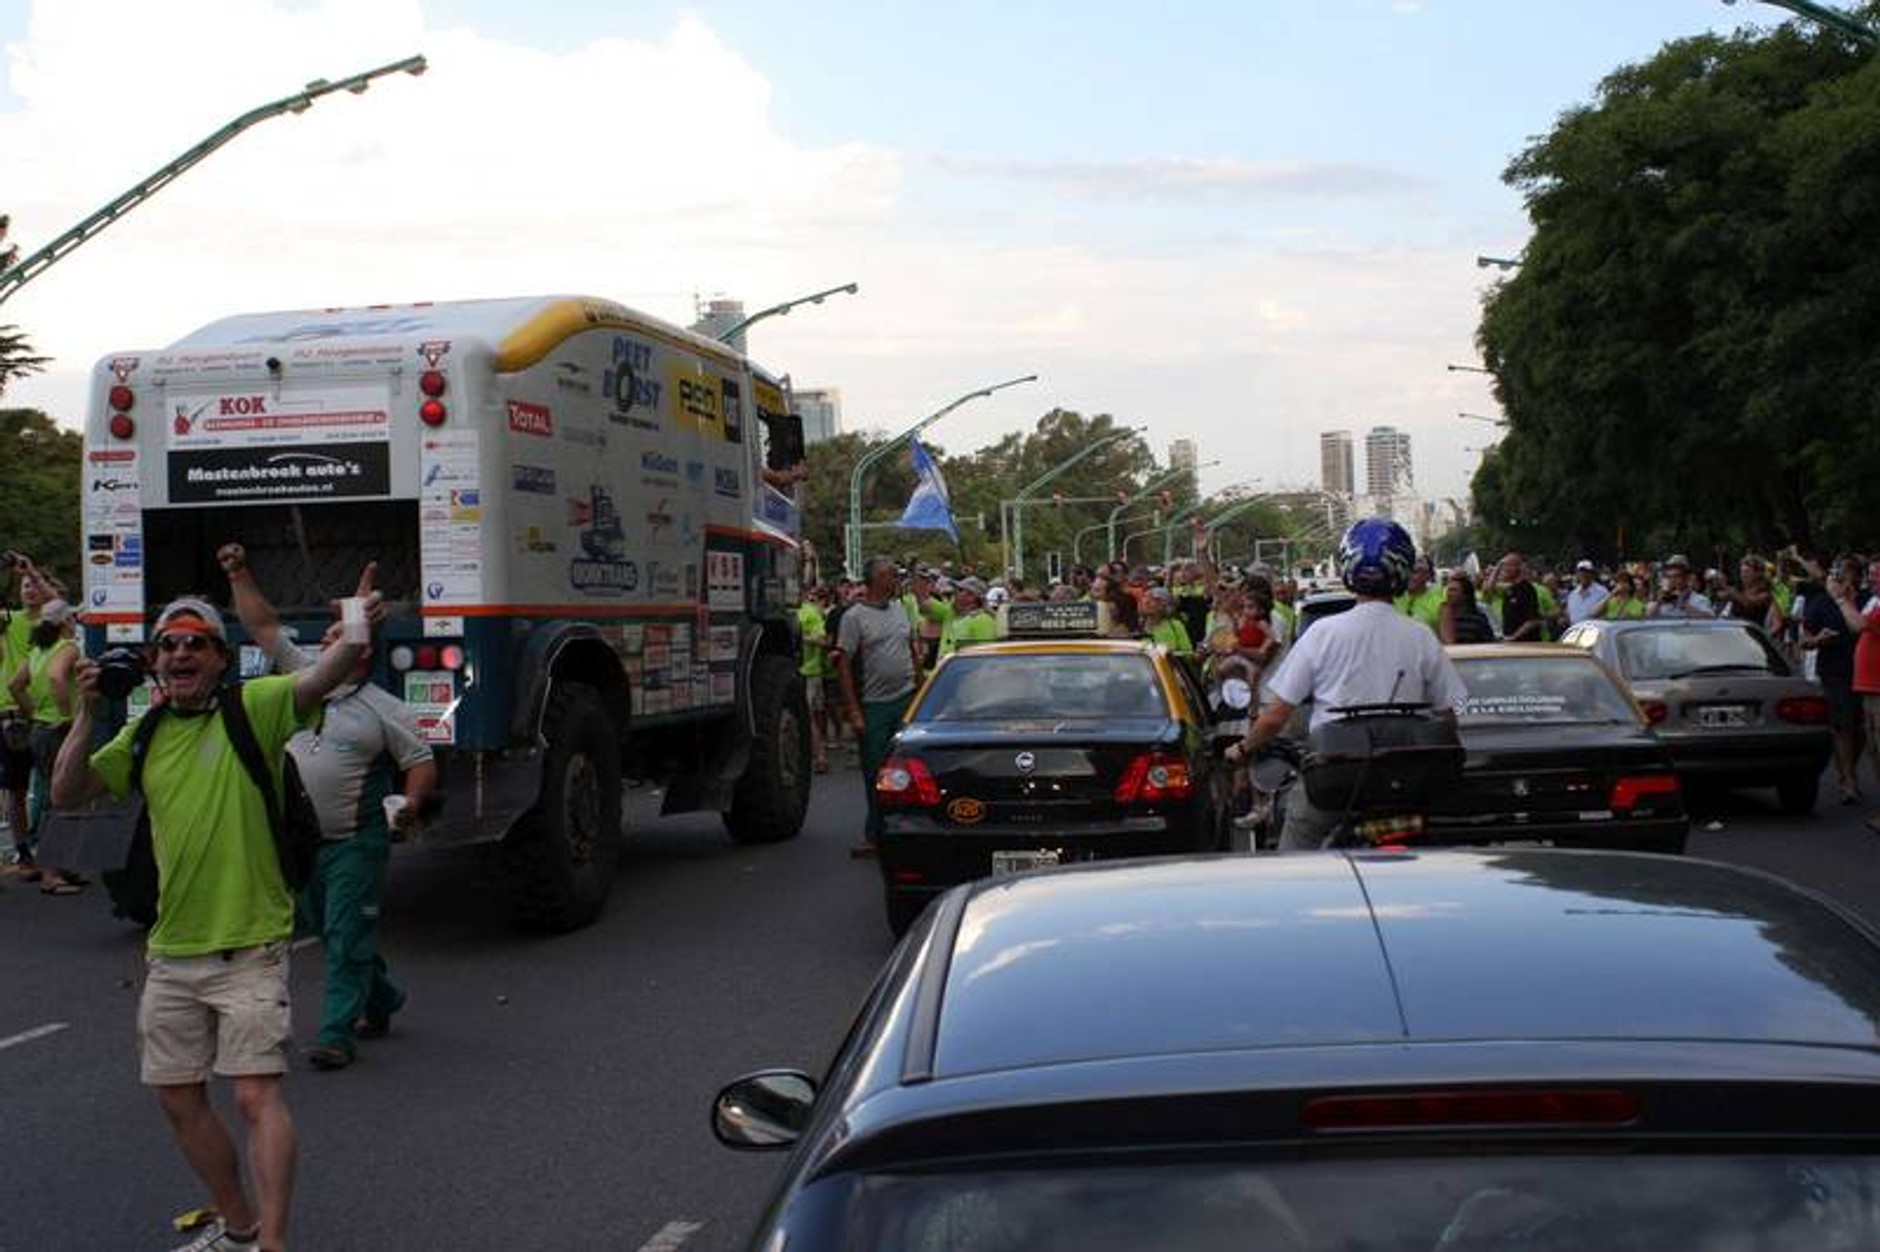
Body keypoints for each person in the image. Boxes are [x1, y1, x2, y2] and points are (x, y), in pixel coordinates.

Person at [51, 580, 373, 1252]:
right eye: (167, 644)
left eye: (196, 642)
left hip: (252, 946)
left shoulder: (253, 708)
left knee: (256, 1096)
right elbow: (67, 792)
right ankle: (240, 1224)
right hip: (172, 953)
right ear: (153, 662)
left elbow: (323, 678)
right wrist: (86, 712)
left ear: (220, 659)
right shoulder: (144, 735)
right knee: (177, 1099)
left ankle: (275, 1242)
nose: (180, 652)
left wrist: (356, 623)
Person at [220, 544, 436, 1073]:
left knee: (343, 932)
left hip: (356, 842)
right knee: (332, 926)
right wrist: (239, 573)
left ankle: (337, 1033)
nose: (325, 641)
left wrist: (409, 803)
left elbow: (421, 760)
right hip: (303, 843)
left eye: (339, 636)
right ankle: (381, 996)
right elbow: (265, 626)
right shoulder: (301, 677)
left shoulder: (385, 709)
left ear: (362, 650)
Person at [1225, 518, 1466, 851]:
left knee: (1296, 850)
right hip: (1407, 783)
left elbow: (1275, 717)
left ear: (1347, 567)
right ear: (1402, 569)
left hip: (1335, 780)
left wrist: (1241, 750)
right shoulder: (1420, 635)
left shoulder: (1322, 634)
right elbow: (1449, 716)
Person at [834, 556, 920, 859]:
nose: (894, 579)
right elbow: (843, 665)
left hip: (906, 698)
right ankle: (875, 833)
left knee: (909, 771)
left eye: (895, 574)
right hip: (873, 705)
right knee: (876, 773)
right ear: (873, 582)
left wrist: (921, 690)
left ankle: (908, 829)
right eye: (888, 575)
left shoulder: (901, 608)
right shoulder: (854, 617)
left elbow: (911, 648)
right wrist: (854, 711)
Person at [7, 596, 83, 893]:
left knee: (55, 794)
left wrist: (32, 711)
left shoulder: (37, 651)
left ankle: (63, 866)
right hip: (59, 731)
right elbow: (57, 678)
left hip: (39, 727)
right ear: (66, 621)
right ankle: (52, 872)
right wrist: (66, 716)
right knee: (59, 799)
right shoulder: (67, 648)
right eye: (72, 618)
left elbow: (15, 685)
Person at [1804, 562, 1865, 805]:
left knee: (1862, 731)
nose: (1840, 579)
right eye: (1836, 575)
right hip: (1834, 672)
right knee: (1842, 726)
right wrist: (1818, 639)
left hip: (1865, 674)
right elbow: (1804, 640)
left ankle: (1849, 769)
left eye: (1846, 575)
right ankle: (1848, 780)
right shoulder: (1821, 602)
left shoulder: (1867, 599)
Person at [795, 585, 831, 773]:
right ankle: (816, 752)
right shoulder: (789, 612)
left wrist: (803, 638)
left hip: (809, 672)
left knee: (809, 716)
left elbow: (824, 641)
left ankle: (820, 756)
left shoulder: (810, 612)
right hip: (798, 672)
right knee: (813, 715)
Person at [939, 577, 997, 656]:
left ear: (974, 598)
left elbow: (986, 654)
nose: (956, 594)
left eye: (959, 590)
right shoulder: (951, 613)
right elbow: (923, 602)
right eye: (958, 590)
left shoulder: (983, 619)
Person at [1439, 571, 1498, 645]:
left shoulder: (1478, 618)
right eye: (1448, 590)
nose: (1449, 594)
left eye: (1453, 590)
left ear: (1465, 594)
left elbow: (1489, 643)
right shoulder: (1442, 616)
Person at [1651, 554, 1715, 618]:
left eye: (1677, 576)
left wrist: (1684, 605)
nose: (1672, 580)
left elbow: (1710, 620)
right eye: (1669, 577)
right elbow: (1649, 621)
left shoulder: (1699, 600)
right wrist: (1658, 603)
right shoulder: (1662, 602)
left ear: (1687, 578)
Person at [1394, 557, 1444, 634]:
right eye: (1407, 572)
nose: (1409, 576)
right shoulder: (1394, 596)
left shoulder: (1438, 601)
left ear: (1427, 576)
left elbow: (1447, 642)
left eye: (1414, 572)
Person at [1564, 560, 1610, 625]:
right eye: (1581, 572)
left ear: (1592, 574)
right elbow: (1570, 616)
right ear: (1577, 574)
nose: (1583, 575)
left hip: (1596, 630)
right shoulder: (1572, 594)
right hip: (1577, 631)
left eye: (1587, 572)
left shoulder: (1602, 592)